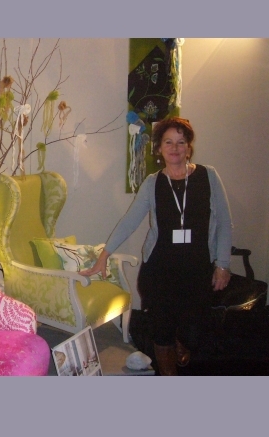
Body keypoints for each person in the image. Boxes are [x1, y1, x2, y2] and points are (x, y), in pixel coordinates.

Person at [80, 117, 232, 375]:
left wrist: (223, 264)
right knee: (161, 330)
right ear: (159, 148)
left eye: (181, 142)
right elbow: (129, 221)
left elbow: (225, 223)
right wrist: (103, 256)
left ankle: (182, 341)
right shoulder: (153, 183)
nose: (175, 148)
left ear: (189, 147)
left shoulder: (208, 177)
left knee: (194, 333)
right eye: (168, 142)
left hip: (198, 271)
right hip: (159, 271)